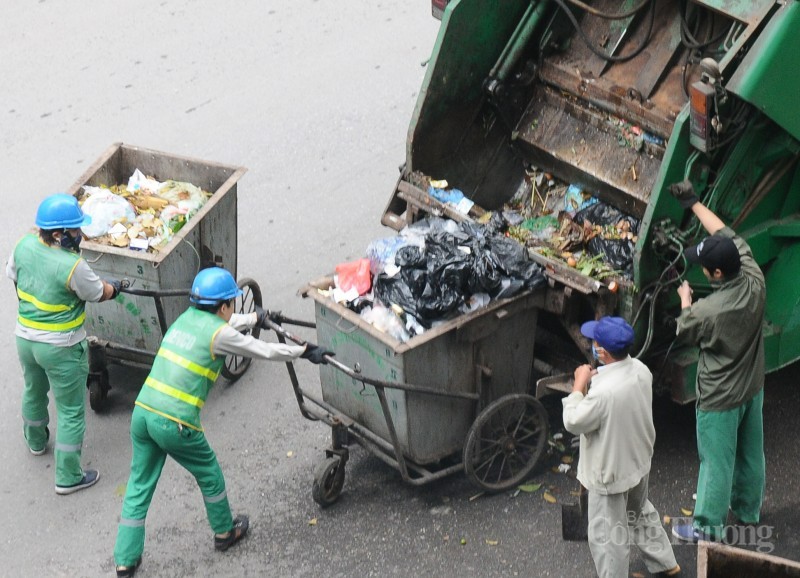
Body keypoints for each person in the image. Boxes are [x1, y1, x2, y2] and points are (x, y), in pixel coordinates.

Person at [113, 266, 331, 577]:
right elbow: (263, 350)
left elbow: (227, 325)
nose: (232, 308)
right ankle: (225, 532)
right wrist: (306, 351)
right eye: (231, 303)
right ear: (225, 306)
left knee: (138, 485)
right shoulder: (219, 333)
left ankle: (124, 560)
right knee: (210, 475)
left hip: (144, 413)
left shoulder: (186, 319)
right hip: (175, 423)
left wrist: (255, 318)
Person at [668, 180, 766, 543]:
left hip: (719, 399)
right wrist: (694, 202)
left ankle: (707, 528)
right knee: (751, 454)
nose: (702, 270)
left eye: (704, 267)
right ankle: (747, 512)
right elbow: (723, 231)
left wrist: (684, 297)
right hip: (751, 386)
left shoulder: (708, 312)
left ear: (717, 275)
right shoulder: (753, 275)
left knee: (716, 463)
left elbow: (683, 327)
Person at [6, 193, 121, 494]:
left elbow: (14, 277)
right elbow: (99, 293)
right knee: (70, 410)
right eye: (75, 231)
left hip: (25, 339)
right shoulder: (73, 266)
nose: (80, 235)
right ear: (58, 234)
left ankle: (35, 441)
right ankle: (68, 477)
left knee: (34, 389)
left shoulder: (24, 244)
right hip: (61, 346)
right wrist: (116, 287)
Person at [563, 316, 680, 578]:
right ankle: (666, 563)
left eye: (594, 342)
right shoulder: (641, 369)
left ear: (601, 351)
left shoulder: (603, 394)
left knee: (607, 536)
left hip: (610, 475)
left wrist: (579, 385)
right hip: (638, 461)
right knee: (638, 512)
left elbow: (573, 420)